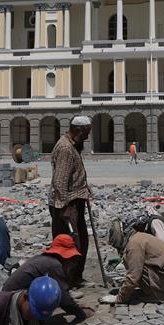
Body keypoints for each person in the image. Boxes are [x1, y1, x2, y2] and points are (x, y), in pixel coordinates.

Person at [2, 234, 95, 323]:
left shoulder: (44, 260)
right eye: (72, 259)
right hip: (13, 303)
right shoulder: (54, 266)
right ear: (65, 256)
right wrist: (80, 313)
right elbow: (64, 300)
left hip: (7, 297)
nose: (72, 263)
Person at [49, 115, 93, 286]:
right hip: (67, 205)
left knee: (80, 240)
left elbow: (71, 175)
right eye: (86, 133)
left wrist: (83, 186)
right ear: (78, 130)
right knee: (70, 244)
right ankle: (66, 281)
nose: (88, 137)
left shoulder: (72, 145)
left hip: (75, 201)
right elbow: (60, 181)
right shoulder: (66, 148)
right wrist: (65, 207)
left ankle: (75, 278)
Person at [100, 219, 164, 304]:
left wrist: (119, 298)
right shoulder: (139, 236)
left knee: (135, 267)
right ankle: (158, 290)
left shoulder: (134, 244)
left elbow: (133, 276)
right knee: (133, 262)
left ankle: (157, 295)